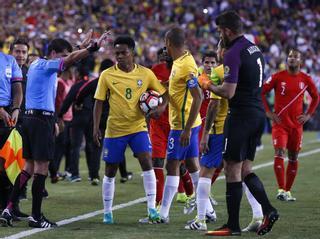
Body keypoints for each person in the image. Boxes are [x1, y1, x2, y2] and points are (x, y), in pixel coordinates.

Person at [0, 30, 111, 228]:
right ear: (53, 53)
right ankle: (36, 216)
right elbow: (67, 61)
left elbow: (67, 58)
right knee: (41, 168)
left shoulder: (37, 64)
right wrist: (91, 48)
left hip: (30, 119)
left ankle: (8, 208)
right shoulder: (47, 64)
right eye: (61, 55)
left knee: (28, 167)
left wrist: (79, 48)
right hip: (42, 120)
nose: (65, 60)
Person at [200, 11, 278, 236]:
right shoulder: (253, 48)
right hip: (256, 115)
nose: (218, 35)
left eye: (219, 31)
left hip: (241, 115)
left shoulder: (234, 52)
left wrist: (207, 85)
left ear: (226, 30)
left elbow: (228, 91)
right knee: (245, 170)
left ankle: (232, 225)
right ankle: (269, 210)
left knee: (231, 168)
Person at [93, 35, 168, 224]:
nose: (119, 56)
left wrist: (160, 107)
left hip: (138, 127)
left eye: (123, 52)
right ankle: (107, 212)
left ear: (132, 53)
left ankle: (152, 208)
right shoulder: (107, 75)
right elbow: (99, 103)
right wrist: (95, 128)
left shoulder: (146, 73)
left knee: (146, 161)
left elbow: (165, 93)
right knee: (110, 169)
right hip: (115, 129)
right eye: (116, 53)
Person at [157, 27, 208, 223]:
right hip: (188, 123)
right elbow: (178, 88)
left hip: (182, 125)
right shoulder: (180, 61)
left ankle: (163, 213)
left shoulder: (186, 65)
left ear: (169, 42)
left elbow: (199, 97)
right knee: (193, 165)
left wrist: (185, 129)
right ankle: (209, 210)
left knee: (171, 165)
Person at [262, 49, 319, 201]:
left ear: (300, 61)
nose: (292, 59)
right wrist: (268, 112)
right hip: (280, 124)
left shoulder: (306, 79)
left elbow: (316, 97)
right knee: (280, 152)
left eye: (295, 57)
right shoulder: (277, 76)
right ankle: (280, 189)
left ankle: (287, 191)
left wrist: (308, 115)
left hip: (296, 126)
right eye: (290, 56)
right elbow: (261, 91)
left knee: (293, 157)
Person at [0, 49, 23, 215]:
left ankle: (7, 208)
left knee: (6, 162)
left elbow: (17, 88)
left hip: (7, 115)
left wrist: (15, 108)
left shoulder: (9, 60)